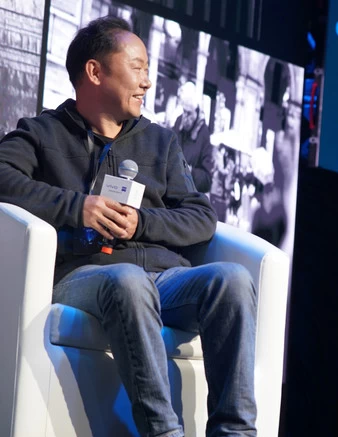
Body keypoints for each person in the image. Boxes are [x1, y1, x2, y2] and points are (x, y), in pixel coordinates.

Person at [0, 16, 257, 437]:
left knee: (232, 279)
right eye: (137, 67)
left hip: (164, 278)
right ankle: (163, 432)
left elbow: (201, 217)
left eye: (147, 70)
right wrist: (77, 208)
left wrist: (141, 222)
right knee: (129, 281)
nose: (147, 82)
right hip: (84, 274)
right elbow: (3, 177)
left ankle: (235, 432)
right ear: (95, 72)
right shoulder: (44, 132)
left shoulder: (161, 141)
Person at [173, 80, 215, 193]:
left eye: (189, 113)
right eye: (184, 111)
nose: (185, 117)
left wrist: (190, 171)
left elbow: (207, 180)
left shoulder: (204, 134)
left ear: (196, 112)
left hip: (187, 194)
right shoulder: (178, 122)